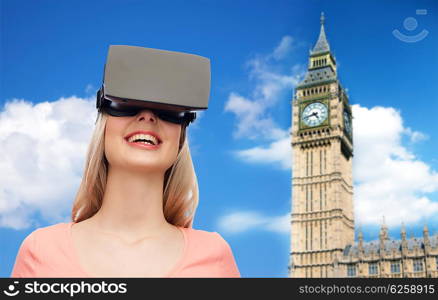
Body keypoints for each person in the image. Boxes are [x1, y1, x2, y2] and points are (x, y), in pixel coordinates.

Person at [10, 45, 240, 278]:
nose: (148, 116)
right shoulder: (41, 251)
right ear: (103, 123)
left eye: (169, 110)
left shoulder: (214, 256)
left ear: (180, 136)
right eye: (126, 104)